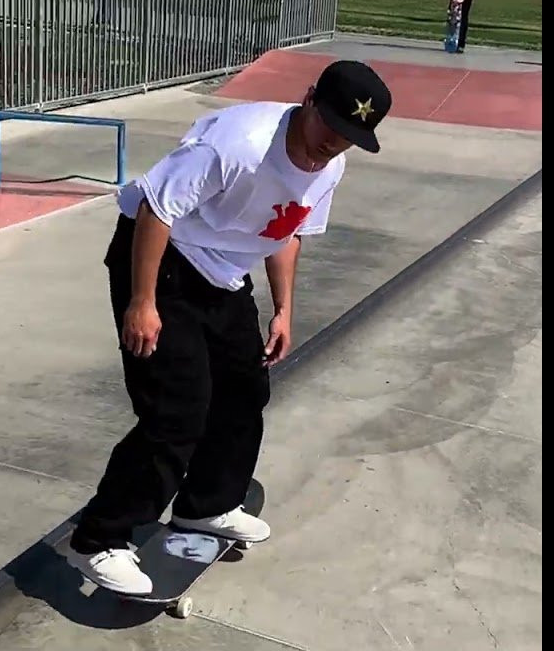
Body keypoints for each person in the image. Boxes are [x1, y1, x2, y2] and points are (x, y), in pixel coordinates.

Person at [66, 60, 393, 595]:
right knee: (176, 411)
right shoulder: (238, 143)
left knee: (244, 390)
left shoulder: (331, 164)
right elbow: (155, 209)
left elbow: (289, 231)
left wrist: (283, 309)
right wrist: (142, 302)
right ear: (308, 99)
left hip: (223, 272)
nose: (329, 148)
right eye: (327, 131)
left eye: (345, 141)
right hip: (161, 260)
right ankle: (99, 540)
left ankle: (207, 506)